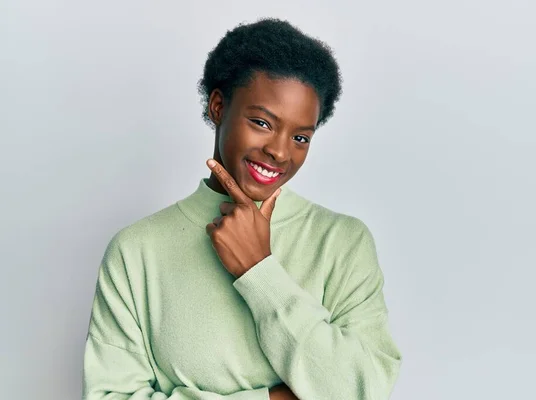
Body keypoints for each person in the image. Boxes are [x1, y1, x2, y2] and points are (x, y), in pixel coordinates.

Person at [83, 18, 401, 400]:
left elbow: (364, 390)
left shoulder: (343, 242)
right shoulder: (136, 250)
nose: (280, 151)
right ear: (218, 107)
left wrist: (259, 270)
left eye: (301, 137)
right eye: (262, 122)